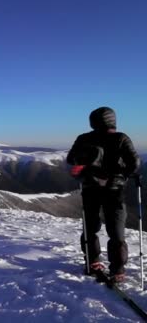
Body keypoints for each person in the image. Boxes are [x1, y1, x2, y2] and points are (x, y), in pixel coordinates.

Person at [67, 106, 141, 283]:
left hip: (90, 187)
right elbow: (134, 163)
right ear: (113, 120)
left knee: (90, 227)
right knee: (116, 230)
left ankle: (92, 262)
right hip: (114, 189)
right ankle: (118, 270)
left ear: (93, 121)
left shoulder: (84, 138)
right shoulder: (121, 138)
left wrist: (87, 166)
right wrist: (121, 174)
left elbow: (71, 159)